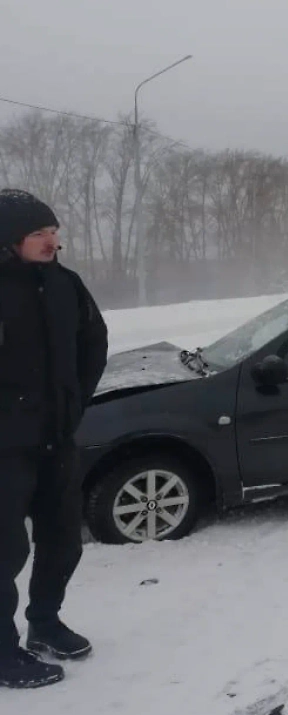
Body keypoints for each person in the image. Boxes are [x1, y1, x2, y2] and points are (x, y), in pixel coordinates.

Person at [0, 189, 108, 689]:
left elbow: (94, 344)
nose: (52, 242)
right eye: (39, 233)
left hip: (57, 438)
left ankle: (45, 622)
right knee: (4, 551)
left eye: (54, 232)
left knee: (62, 540)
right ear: (9, 239)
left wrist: (73, 402)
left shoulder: (67, 285)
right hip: (4, 446)